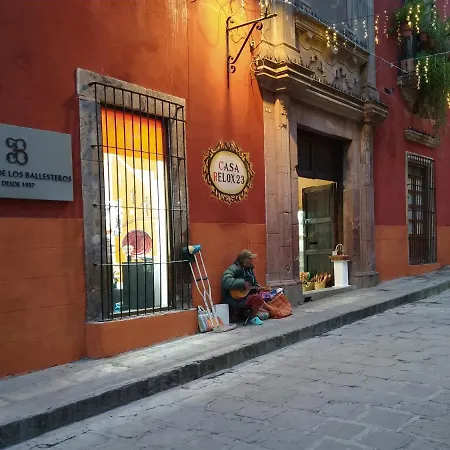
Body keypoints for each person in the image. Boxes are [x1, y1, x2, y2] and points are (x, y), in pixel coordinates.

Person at [221, 249, 266, 325]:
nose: (252, 260)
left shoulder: (250, 270)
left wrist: (257, 287)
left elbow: (254, 283)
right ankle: (252, 317)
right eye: (250, 259)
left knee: (263, 295)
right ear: (245, 261)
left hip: (246, 296)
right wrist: (242, 283)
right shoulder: (234, 268)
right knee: (257, 298)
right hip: (235, 299)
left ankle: (249, 314)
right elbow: (226, 280)